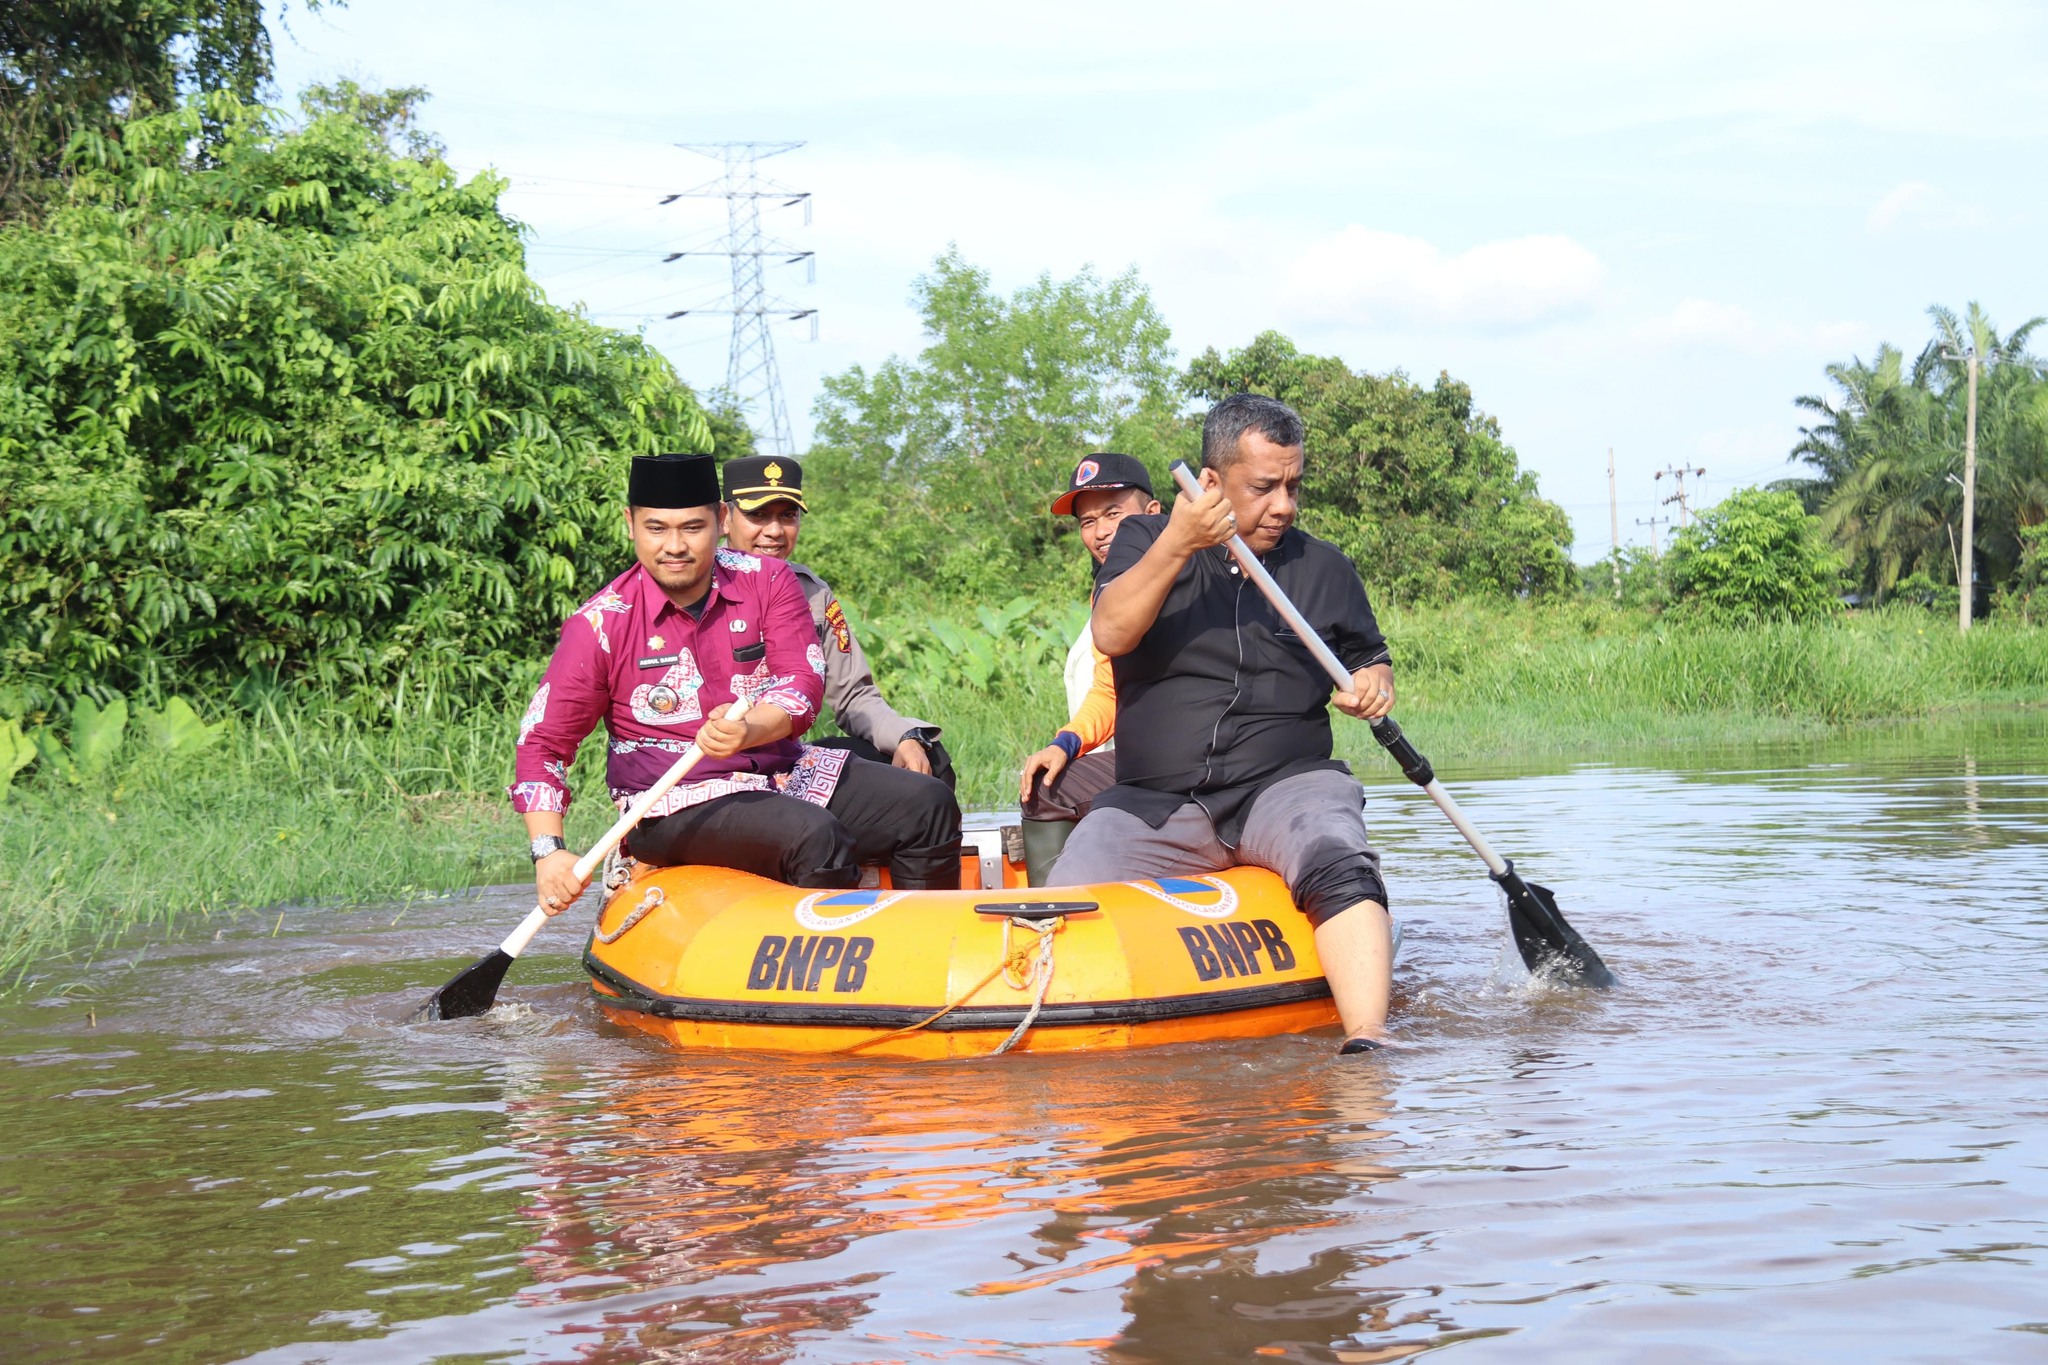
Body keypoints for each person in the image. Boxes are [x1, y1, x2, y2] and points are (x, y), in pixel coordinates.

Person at [1045, 396, 1399, 1054]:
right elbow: (1113, 629)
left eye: (1293, 485)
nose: (1284, 505)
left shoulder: (1324, 567)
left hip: (1285, 784)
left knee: (1337, 853)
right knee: (1064, 903)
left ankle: (1370, 1043)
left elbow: (1368, 657)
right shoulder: (1145, 540)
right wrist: (1181, 540)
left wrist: (1375, 684)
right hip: (1157, 799)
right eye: (1264, 487)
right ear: (1210, 483)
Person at [514, 452, 962, 921]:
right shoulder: (600, 624)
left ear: (719, 520)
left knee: (926, 803)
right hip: (672, 801)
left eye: (692, 527)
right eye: (657, 528)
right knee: (814, 834)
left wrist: (750, 730)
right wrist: (548, 852)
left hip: (782, 773)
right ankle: (813, 977)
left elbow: (802, 683)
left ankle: (925, 941)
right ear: (630, 524)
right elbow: (543, 742)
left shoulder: (769, 579)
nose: (675, 546)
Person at [718, 455, 954, 790]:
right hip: (722, 760)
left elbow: (853, 696)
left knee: (928, 761)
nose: (774, 531)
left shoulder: (812, 594)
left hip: (788, 758)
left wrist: (905, 737)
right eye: (758, 515)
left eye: (787, 516)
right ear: (724, 519)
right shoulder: (701, 587)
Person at [1015, 452, 1161, 883]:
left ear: (1153, 512)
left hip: (1203, 754)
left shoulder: (1197, 564)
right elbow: (1108, 689)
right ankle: (1049, 916)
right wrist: (1065, 743)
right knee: (1043, 786)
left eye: (1114, 513)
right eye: (1087, 522)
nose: (1101, 533)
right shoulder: (1107, 592)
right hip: (1143, 759)